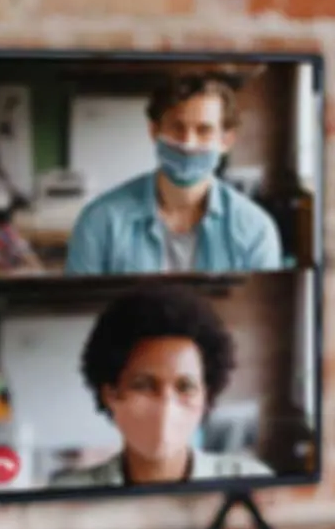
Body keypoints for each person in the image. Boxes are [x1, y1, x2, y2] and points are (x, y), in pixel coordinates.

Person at [50, 283, 274, 488]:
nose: (166, 405)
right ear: (111, 394)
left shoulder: (251, 481)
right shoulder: (66, 492)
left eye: (185, 386)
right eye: (144, 385)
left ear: (206, 395)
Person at [63, 73, 285, 276]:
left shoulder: (256, 230)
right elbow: (75, 311)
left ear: (226, 140)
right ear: (154, 131)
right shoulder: (100, 221)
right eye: (177, 127)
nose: (188, 143)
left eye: (204, 130)